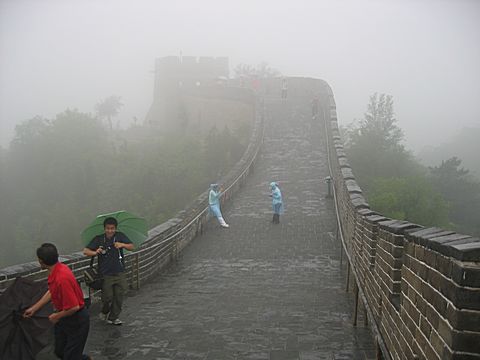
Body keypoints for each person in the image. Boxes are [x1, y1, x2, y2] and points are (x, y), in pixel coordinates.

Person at [24, 243, 91, 360]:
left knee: (71, 356)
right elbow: (52, 291)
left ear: (41, 261)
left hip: (77, 320)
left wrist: (56, 316)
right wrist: (34, 308)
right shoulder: (57, 270)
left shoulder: (62, 278)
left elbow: (74, 307)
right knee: (60, 351)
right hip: (65, 318)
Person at [83, 217, 134, 325]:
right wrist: (96, 252)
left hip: (119, 271)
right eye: (108, 228)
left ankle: (113, 318)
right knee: (107, 297)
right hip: (105, 274)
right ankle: (104, 311)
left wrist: (122, 245)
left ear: (115, 228)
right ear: (104, 228)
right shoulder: (99, 239)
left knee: (119, 297)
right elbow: (86, 251)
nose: (110, 231)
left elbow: (131, 246)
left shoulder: (119, 236)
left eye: (112, 228)